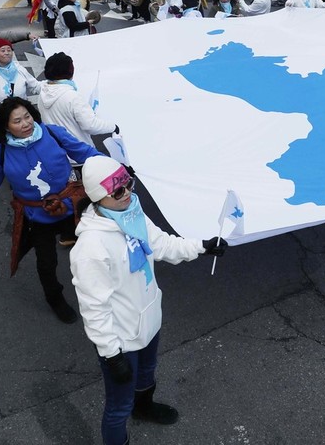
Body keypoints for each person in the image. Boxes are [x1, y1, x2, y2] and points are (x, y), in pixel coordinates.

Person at [69, 156, 226, 445]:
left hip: (148, 320)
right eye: (117, 191)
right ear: (98, 197)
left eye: (127, 184)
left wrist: (202, 247)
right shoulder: (90, 248)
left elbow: (163, 244)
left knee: (147, 373)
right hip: (120, 340)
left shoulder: (132, 213)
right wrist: (111, 354)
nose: (126, 193)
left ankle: (144, 408)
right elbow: (94, 308)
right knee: (118, 408)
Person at [0, 97, 101, 324]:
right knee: (46, 263)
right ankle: (55, 298)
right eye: (17, 121)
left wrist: (115, 170)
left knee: (92, 250)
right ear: (5, 127)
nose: (26, 124)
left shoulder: (52, 133)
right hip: (38, 217)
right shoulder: (1, 153)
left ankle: (98, 288)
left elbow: (85, 153)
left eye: (28, 116)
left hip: (72, 208)